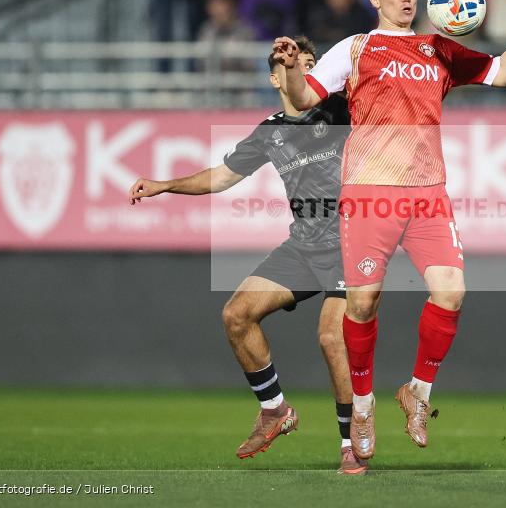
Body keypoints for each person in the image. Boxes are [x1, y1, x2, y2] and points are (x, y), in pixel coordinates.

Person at [272, 0, 506, 460]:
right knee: (361, 305)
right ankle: (361, 406)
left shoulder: (440, 49)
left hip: (428, 194)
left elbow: (503, 72)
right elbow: (302, 100)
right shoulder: (355, 48)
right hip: (368, 193)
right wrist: (294, 68)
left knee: (451, 292)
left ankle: (416, 393)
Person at [127, 38, 368, 475]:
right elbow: (220, 178)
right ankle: (275, 410)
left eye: (310, 64)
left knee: (332, 339)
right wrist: (166, 185)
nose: (302, 69)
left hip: (351, 243)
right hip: (303, 246)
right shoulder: (270, 131)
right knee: (237, 314)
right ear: (275, 77)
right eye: (291, 63)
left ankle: (351, 444)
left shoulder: (341, 111)